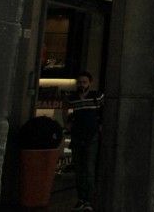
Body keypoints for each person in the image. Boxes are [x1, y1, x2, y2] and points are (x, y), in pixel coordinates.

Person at [66, 71, 104, 211]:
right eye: (80, 82)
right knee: (79, 168)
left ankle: (89, 200)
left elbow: (103, 111)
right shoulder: (73, 98)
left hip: (91, 135)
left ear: (90, 83)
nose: (82, 85)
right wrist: (68, 122)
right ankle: (81, 198)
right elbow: (69, 110)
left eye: (84, 82)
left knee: (88, 168)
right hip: (77, 135)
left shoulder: (97, 97)